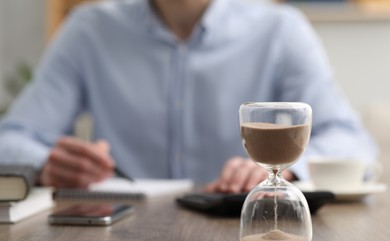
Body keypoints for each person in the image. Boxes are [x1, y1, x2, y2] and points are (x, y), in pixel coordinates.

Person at [0, 0, 377, 193]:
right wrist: (47, 163)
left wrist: (286, 167)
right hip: (121, 230)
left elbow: (352, 141)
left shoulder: (281, 30)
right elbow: (10, 139)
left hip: (240, 230)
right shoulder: (88, 30)